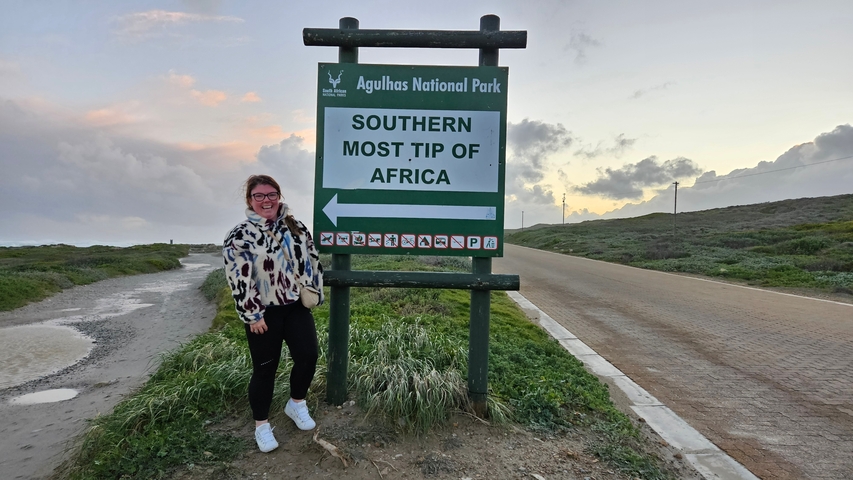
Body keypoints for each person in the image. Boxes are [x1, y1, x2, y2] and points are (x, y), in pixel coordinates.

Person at [223, 174, 325, 453]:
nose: (266, 200)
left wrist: (314, 292)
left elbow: (312, 260)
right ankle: (262, 425)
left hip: (295, 307)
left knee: (308, 357)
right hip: (264, 313)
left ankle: (296, 403)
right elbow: (238, 278)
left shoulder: (296, 227)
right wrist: (252, 315)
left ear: (279, 196)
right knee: (265, 369)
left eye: (271, 195)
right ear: (250, 200)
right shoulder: (240, 234)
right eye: (259, 196)